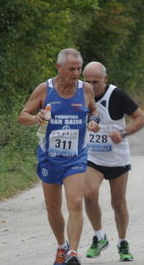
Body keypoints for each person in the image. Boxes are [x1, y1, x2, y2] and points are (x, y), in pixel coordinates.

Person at [18, 48, 100, 265]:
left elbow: (94, 111)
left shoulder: (86, 90)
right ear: (59, 68)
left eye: (79, 69)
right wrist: (36, 118)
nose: (75, 73)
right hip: (49, 157)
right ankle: (61, 246)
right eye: (71, 69)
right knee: (53, 206)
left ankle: (73, 252)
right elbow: (22, 116)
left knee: (75, 201)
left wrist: (94, 121)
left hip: (76, 157)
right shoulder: (45, 89)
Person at [82, 62, 144, 261]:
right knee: (89, 194)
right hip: (93, 158)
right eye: (88, 81)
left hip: (117, 159)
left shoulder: (117, 95)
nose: (92, 86)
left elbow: (141, 118)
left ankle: (123, 242)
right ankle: (99, 236)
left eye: (96, 81)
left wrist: (123, 132)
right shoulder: (81, 95)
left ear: (105, 79)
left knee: (118, 203)